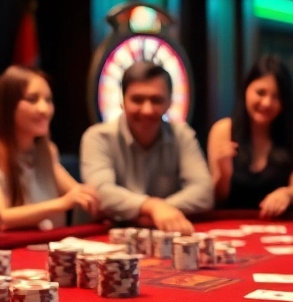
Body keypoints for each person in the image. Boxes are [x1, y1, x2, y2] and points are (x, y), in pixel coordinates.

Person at [80, 61, 213, 234]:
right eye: (137, 99)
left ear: (169, 103)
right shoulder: (98, 137)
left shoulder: (182, 135)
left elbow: (204, 191)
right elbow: (100, 192)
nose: (147, 110)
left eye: (156, 100)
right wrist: (151, 207)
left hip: (161, 233)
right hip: (107, 236)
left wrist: (160, 210)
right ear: (122, 101)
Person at [0, 66, 99, 230]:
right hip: (6, 253)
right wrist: (61, 204)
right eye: (32, 99)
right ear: (8, 106)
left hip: (47, 249)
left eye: (48, 100)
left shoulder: (47, 151)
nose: (44, 109)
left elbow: (80, 195)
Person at [207, 56, 293, 218]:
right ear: (246, 90)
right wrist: (224, 173)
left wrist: (286, 194)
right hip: (232, 224)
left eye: (277, 96)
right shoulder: (223, 130)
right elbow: (216, 198)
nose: (267, 103)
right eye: (260, 93)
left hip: (282, 225)